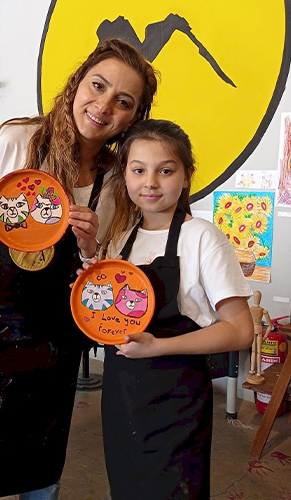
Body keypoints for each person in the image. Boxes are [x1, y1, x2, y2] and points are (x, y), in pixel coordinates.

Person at [0, 39, 158, 500]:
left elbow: (103, 271)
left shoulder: (118, 180)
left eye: (123, 101)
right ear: (77, 84)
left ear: (134, 117)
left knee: (41, 447)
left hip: (53, 333)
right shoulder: (17, 140)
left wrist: (91, 244)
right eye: (97, 86)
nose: (103, 106)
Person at [97, 119, 254, 499]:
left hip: (176, 401)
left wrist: (158, 347)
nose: (150, 182)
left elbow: (240, 330)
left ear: (186, 176)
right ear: (125, 175)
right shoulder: (120, 240)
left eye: (165, 171)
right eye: (138, 170)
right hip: (121, 396)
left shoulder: (203, 238)